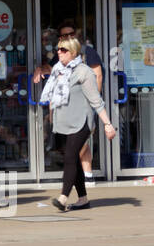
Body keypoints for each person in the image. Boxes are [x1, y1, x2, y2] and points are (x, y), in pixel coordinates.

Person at [44, 37, 116, 212]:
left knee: (70, 157)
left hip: (81, 122)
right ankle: (83, 199)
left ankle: (63, 197)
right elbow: (53, 97)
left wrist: (107, 124)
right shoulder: (57, 70)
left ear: (74, 53)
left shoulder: (84, 72)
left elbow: (96, 100)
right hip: (62, 122)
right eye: (58, 49)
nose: (59, 53)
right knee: (73, 160)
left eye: (63, 50)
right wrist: (51, 117)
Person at [35, 23, 103, 180]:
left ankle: (79, 176)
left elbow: (98, 76)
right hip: (67, 106)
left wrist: (93, 100)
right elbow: (51, 71)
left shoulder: (87, 52)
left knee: (80, 141)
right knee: (76, 141)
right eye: (64, 36)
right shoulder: (61, 56)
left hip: (85, 104)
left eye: (71, 33)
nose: (68, 37)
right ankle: (86, 175)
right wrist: (40, 69)